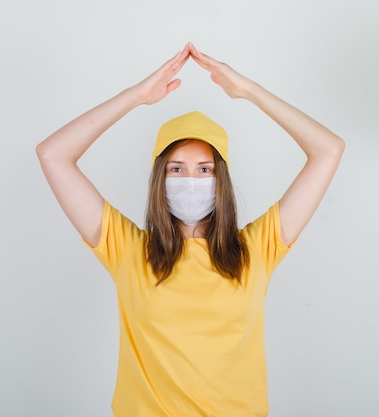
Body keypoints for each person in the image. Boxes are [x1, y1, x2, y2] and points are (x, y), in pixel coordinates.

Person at [36, 42, 344, 417]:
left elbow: (328, 149)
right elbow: (53, 155)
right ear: (159, 179)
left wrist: (247, 90)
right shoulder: (128, 249)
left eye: (205, 169)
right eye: (176, 169)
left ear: (222, 180)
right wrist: (136, 96)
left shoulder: (257, 248)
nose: (191, 180)